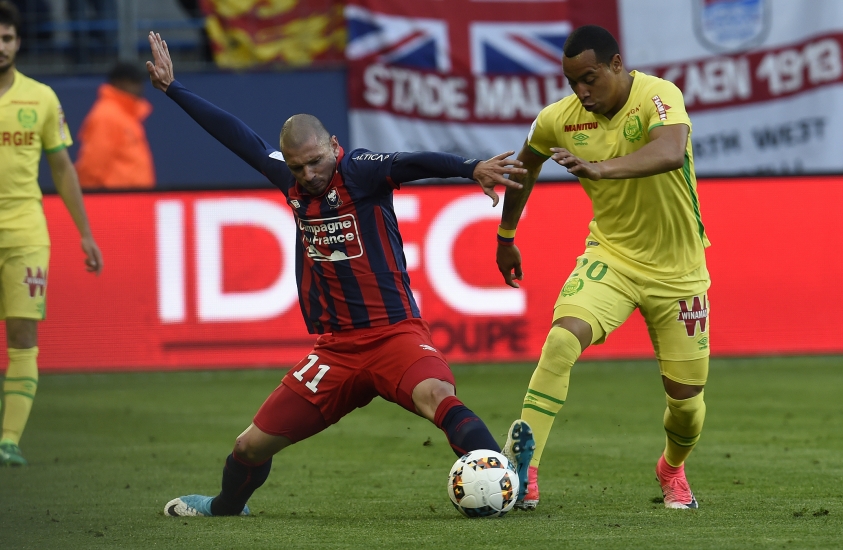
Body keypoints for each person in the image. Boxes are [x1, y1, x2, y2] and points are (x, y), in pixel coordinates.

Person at [145, 32, 536, 517]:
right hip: (335, 350)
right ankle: (226, 507)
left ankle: (506, 477)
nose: (308, 174)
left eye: (315, 162)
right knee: (249, 446)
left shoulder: (362, 171)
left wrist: (471, 166)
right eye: (297, 167)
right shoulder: (288, 179)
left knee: (437, 395)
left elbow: (413, 162)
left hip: (394, 334)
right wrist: (173, 88)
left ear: (334, 145)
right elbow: (237, 135)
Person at [497, 25, 711, 510]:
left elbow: (670, 151)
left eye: (589, 79)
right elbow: (524, 167)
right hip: (610, 258)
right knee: (560, 341)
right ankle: (522, 471)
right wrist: (506, 235)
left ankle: (671, 468)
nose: (582, 92)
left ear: (617, 65)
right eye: (573, 82)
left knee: (687, 405)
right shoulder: (558, 120)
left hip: (679, 272)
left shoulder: (659, 95)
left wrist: (601, 168)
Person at [0, 1, 103, 467]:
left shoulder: (40, 98)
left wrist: (85, 233)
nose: (0, 47)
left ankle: (9, 440)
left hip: (25, 231)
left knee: (22, 334)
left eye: (6, 38)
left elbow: (62, 168)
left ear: (18, 42)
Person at [75, 62, 156, 190]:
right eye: (134, 82)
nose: (139, 87)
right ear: (119, 82)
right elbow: (92, 166)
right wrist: (90, 200)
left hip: (133, 199)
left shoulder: (125, 115)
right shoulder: (107, 116)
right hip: (117, 201)